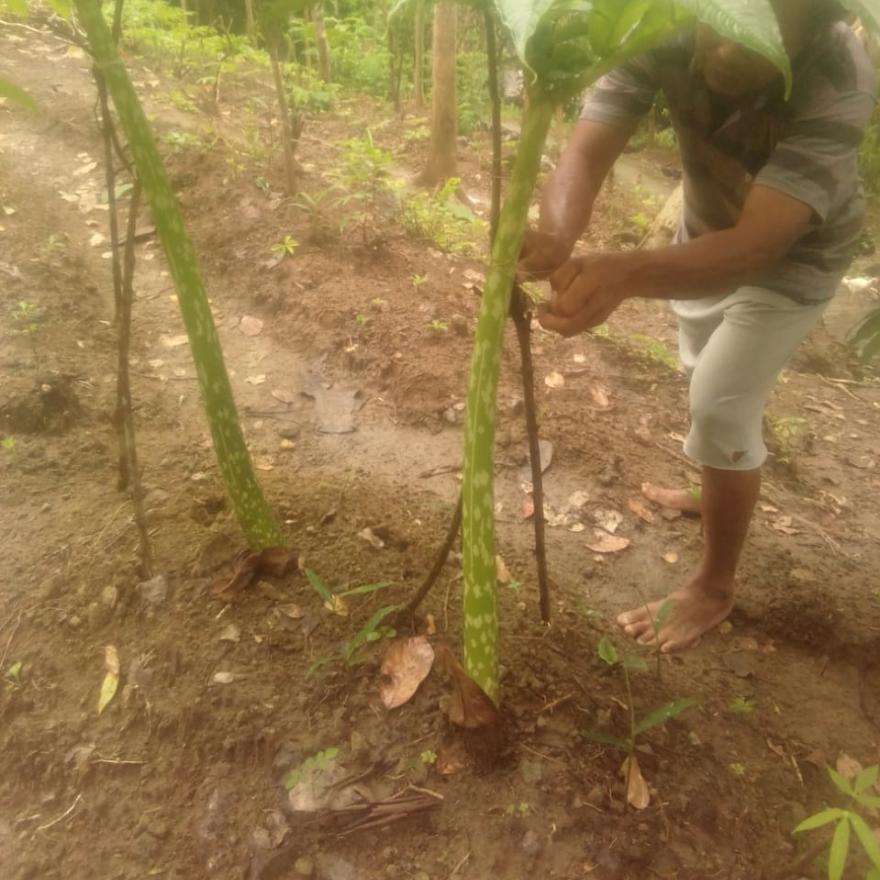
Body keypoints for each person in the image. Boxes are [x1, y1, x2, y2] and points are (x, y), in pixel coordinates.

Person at [519, 0, 876, 652]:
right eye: (723, 18)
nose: (727, 47)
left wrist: (622, 275)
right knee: (705, 374)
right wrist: (558, 233)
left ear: (820, 19)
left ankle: (714, 586)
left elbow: (757, 248)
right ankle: (715, 484)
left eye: (762, 31)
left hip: (794, 259)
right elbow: (595, 136)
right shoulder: (662, 18)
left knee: (718, 401)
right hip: (704, 235)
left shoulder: (839, 71)